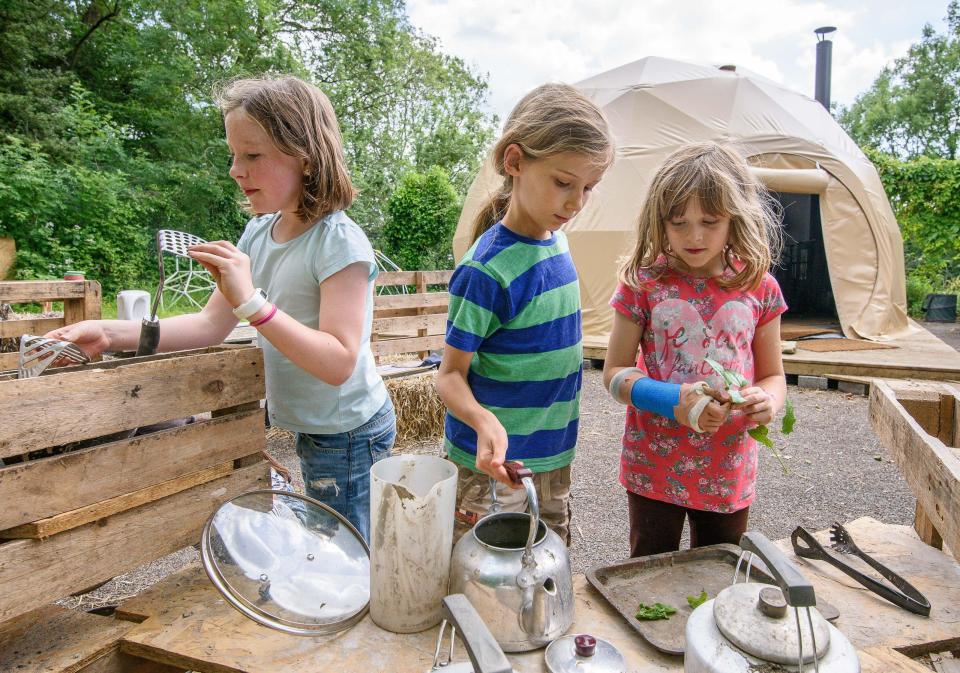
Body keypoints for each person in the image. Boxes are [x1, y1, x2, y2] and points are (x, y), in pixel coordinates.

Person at [46, 76, 395, 541]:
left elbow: (337, 362)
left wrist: (251, 301)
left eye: (253, 155)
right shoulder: (258, 233)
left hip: (350, 431)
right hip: (313, 424)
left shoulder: (339, 242)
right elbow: (210, 324)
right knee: (325, 542)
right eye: (234, 154)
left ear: (306, 158)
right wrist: (111, 334)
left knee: (346, 552)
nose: (235, 169)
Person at [435, 83, 614, 544]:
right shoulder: (486, 271)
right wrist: (482, 419)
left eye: (587, 188)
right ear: (515, 161)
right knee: (487, 581)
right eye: (563, 183)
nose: (575, 203)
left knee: (547, 570)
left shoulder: (558, 239)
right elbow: (449, 376)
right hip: (494, 465)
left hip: (553, 456)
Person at [603, 141, 787, 557]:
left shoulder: (760, 287)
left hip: (728, 467)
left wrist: (768, 402)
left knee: (718, 572)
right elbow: (613, 374)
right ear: (659, 221)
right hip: (654, 467)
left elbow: (774, 376)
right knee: (647, 574)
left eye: (709, 220)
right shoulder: (642, 284)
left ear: (735, 219)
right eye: (679, 222)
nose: (695, 235)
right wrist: (673, 400)